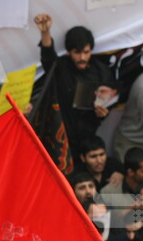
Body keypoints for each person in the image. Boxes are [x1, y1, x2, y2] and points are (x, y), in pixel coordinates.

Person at [34, 14, 115, 166]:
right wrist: (45, 33)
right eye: (77, 53)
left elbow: (107, 100)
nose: (82, 57)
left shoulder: (101, 71)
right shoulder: (62, 68)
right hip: (62, 136)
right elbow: (48, 59)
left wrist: (102, 113)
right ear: (69, 52)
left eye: (86, 52)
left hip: (88, 137)